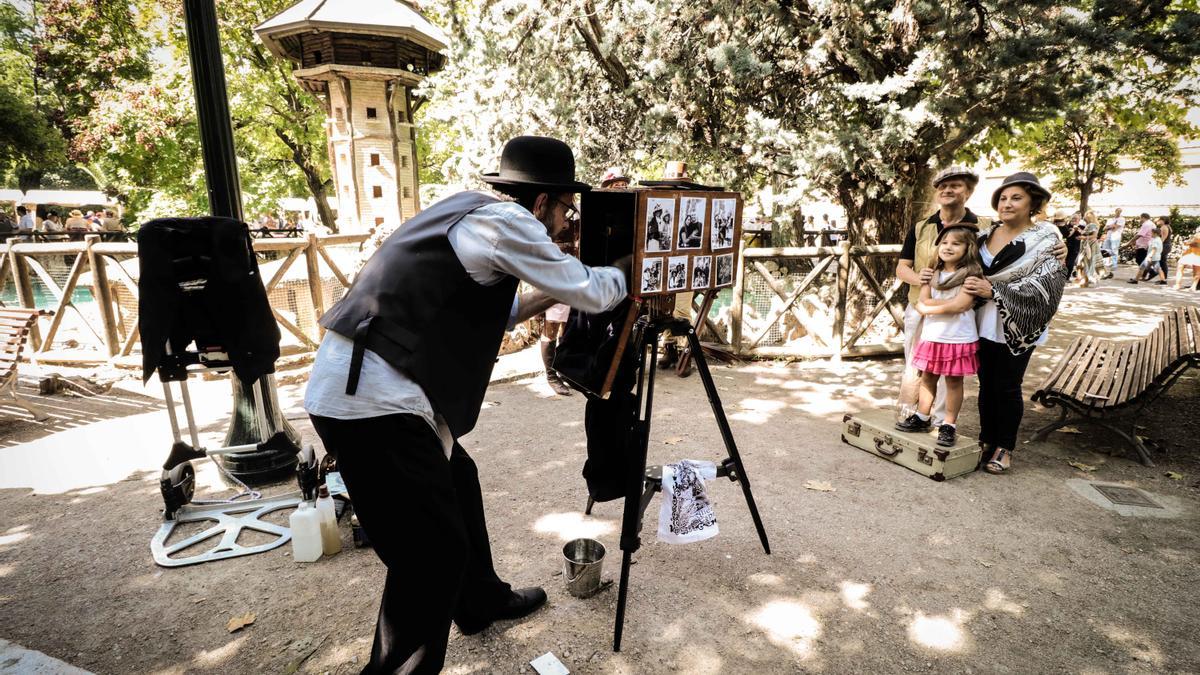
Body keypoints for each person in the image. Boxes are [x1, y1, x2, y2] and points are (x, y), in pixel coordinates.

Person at [304, 136, 629, 673]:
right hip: (373, 406)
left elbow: (496, 315)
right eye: (566, 209)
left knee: (460, 479)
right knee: (428, 555)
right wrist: (633, 265)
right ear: (543, 202)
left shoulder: (469, 214)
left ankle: (480, 602)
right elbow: (595, 292)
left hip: (362, 391)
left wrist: (555, 289)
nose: (567, 221)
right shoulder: (509, 223)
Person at [962, 172, 1066, 474]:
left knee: (1007, 385)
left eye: (1016, 197)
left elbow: (1049, 284)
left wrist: (994, 289)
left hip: (1019, 322)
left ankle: (1005, 447)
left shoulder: (1046, 238)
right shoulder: (983, 234)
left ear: (1033, 201)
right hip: (982, 317)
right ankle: (986, 440)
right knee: (986, 384)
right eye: (1003, 198)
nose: (1007, 203)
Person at [894, 165, 988, 426]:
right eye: (943, 186)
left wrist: (1057, 245)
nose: (948, 190)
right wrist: (922, 280)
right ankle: (914, 413)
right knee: (918, 364)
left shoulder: (985, 227)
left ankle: (942, 422)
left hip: (961, 310)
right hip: (920, 303)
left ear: (968, 192)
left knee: (951, 369)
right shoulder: (921, 227)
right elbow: (903, 267)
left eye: (955, 185)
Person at [895, 224, 982, 447]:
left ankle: (948, 424)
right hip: (933, 335)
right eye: (944, 242)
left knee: (953, 381)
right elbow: (923, 305)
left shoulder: (970, 275)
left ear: (968, 247)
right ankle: (923, 416)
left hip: (957, 337)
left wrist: (934, 306)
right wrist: (947, 305)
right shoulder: (931, 274)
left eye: (956, 243)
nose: (948, 247)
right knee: (928, 377)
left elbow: (961, 305)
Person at [1126, 213, 1155, 280]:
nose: (1140, 220)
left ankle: (1152, 272)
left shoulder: (1146, 224)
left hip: (1144, 245)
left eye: (1140, 218)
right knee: (1143, 260)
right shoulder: (1151, 223)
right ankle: (1143, 275)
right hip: (1146, 244)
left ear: (1143, 217)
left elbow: (1140, 235)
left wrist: (1129, 242)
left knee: (1140, 260)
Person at [1076, 211, 1100, 287]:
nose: (1084, 218)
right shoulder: (1091, 225)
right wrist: (1079, 230)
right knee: (1086, 261)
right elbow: (1086, 233)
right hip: (1089, 245)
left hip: (1089, 245)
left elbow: (1094, 236)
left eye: (1086, 216)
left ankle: (1087, 279)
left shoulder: (1092, 225)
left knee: (1086, 262)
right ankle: (1086, 279)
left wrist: (1083, 237)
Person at [1154, 216, 1172, 285]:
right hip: (1167, 246)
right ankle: (1163, 279)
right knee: (1163, 262)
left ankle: (1163, 280)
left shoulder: (1164, 227)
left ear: (1163, 220)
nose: (1157, 221)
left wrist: (1156, 247)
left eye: (1159, 220)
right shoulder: (1168, 226)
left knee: (1162, 262)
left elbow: (1162, 239)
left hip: (1164, 246)